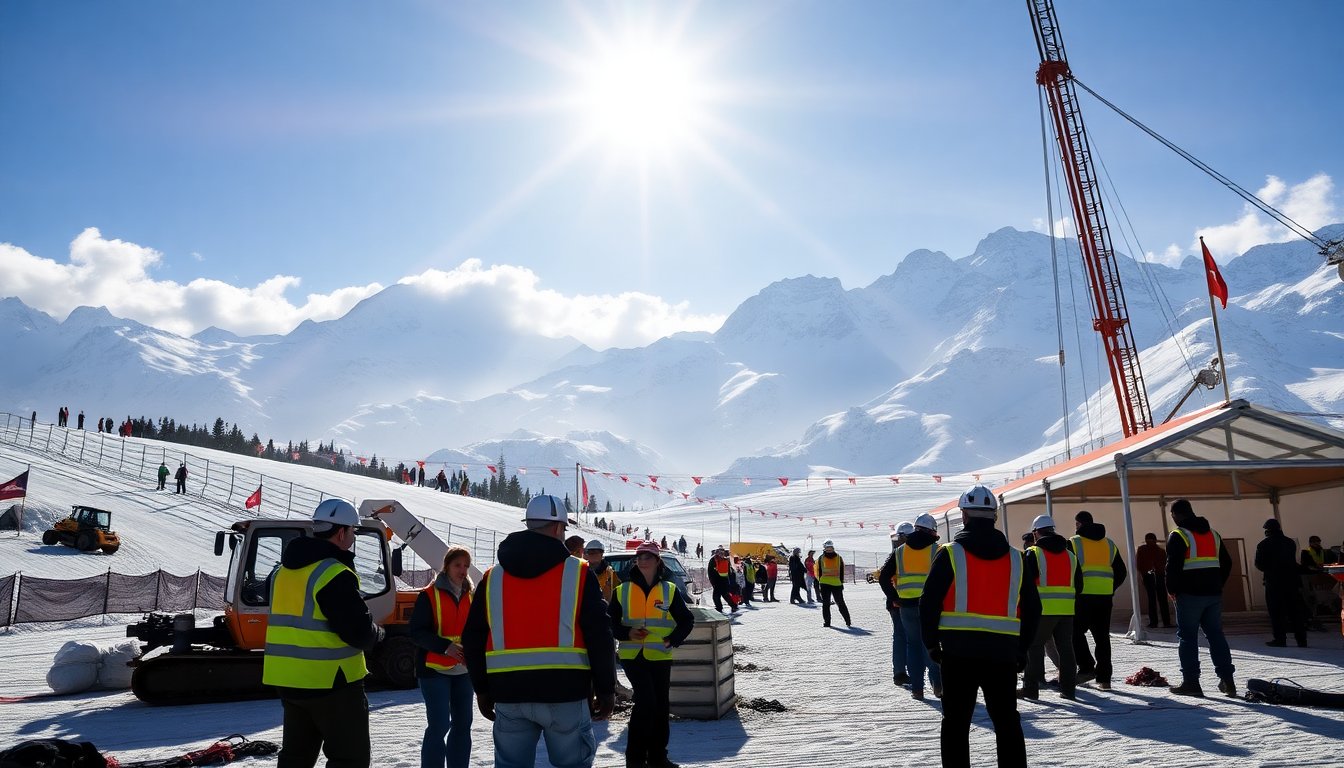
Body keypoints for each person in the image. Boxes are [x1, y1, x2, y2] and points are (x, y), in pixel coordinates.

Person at [461, 495, 616, 768]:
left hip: (509, 694)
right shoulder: (579, 573)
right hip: (565, 693)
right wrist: (606, 689)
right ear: (557, 528)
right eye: (564, 529)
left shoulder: (493, 577)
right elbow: (599, 635)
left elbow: (473, 637)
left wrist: (482, 689)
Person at [921, 485, 1039, 768]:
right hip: (1002, 653)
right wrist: (1022, 649)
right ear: (994, 517)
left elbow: (929, 602)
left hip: (958, 653)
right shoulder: (1017, 558)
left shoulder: (950, 553)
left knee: (956, 722)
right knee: (1007, 721)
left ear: (964, 516)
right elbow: (1033, 608)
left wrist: (931, 644)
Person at [262, 498, 385, 768]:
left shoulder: (281, 572)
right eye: (353, 531)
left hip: (289, 680)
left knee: (295, 759)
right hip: (332, 682)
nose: (354, 537)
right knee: (349, 760)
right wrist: (379, 634)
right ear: (341, 533)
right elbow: (359, 632)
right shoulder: (333, 573)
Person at [609, 541, 694, 768]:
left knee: (660, 706)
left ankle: (658, 757)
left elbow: (686, 620)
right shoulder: (622, 590)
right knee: (646, 702)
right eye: (639, 557)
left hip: (660, 656)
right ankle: (635, 759)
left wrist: (673, 639)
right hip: (632, 656)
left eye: (647, 557)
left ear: (657, 561)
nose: (642, 560)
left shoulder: (669, 590)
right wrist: (627, 633)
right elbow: (610, 622)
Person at [409, 546, 476, 768]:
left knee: (463, 726)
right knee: (439, 726)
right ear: (446, 567)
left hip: (463, 671)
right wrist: (446, 647)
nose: (463, 570)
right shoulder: (428, 595)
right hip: (434, 670)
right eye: (458, 565)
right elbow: (416, 633)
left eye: (466, 566)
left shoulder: (471, 596)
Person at [1166, 498, 1235, 697]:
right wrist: (1217, 584)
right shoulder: (1213, 534)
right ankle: (1227, 681)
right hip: (1213, 594)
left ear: (1177, 515)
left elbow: (1173, 567)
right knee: (1216, 635)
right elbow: (1227, 563)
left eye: (1173, 515)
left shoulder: (1179, 535)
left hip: (1189, 595)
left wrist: (1172, 590)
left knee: (1187, 638)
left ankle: (1191, 682)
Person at [1019, 515, 1079, 701]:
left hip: (1042, 610)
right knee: (1066, 648)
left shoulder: (1034, 553)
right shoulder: (1070, 555)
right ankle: (1068, 689)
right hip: (1066, 610)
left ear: (1036, 533)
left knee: (1034, 647)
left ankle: (1031, 688)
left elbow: (1025, 583)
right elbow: (1079, 584)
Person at [1070, 510, 1127, 690]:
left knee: (1074, 633)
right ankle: (1104, 679)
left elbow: (1069, 569)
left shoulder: (1074, 543)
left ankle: (1086, 667)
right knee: (1102, 637)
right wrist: (1110, 588)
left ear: (1079, 524)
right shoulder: (1109, 544)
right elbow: (1121, 572)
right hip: (1104, 599)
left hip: (1083, 598)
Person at [895, 516, 944, 699]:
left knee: (913, 645)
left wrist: (894, 598)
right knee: (931, 644)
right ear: (932, 530)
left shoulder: (900, 551)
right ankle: (938, 684)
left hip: (907, 605)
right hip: (931, 606)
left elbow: (884, 576)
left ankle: (917, 689)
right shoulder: (938, 550)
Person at [1255, 519, 1308, 648]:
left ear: (1268, 530)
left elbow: (1259, 564)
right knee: (1295, 612)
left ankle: (1280, 639)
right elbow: (1292, 562)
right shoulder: (1290, 543)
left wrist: (1270, 570)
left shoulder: (1263, 544)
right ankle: (1301, 640)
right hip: (1291, 582)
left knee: (1276, 613)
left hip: (1274, 583)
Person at [877, 523, 913, 686]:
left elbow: (883, 576)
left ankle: (901, 672)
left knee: (901, 637)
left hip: (899, 602)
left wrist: (892, 597)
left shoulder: (896, 554)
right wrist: (893, 598)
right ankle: (904, 673)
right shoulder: (905, 554)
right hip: (904, 603)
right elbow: (884, 577)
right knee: (909, 638)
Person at [1300, 535, 1338, 628]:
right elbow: (1305, 564)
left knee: (1323, 593)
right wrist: (1315, 567)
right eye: (1315, 542)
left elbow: (1327, 561)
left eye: (1318, 542)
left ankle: (1324, 607)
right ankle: (1315, 611)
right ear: (1311, 543)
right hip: (1311, 575)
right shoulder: (1306, 552)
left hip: (1321, 574)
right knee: (1312, 594)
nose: (1317, 543)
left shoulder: (1323, 551)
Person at [1136, 532, 1171, 628]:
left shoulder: (1144, 550)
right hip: (1155, 576)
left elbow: (1139, 565)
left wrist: (1146, 573)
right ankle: (1164, 622)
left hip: (1153, 576)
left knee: (1155, 599)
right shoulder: (1159, 551)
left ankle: (1156, 622)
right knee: (1159, 599)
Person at [816, 540, 851, 628]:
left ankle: (845, 621)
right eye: (827, 548)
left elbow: (841, 570)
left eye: (830, 548)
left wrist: (841, 582)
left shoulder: (834, 558)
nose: (829, 550)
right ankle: (830, 622)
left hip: (831, 584)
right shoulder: (827, 558)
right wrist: (820, 582)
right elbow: (818, 570)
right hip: (829, 584)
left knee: (835, 603)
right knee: (831, 603)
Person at [706, 547, 736, 613]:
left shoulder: (713, 560)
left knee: (716, 596)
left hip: (717, 580)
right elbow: (729, 572)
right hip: (724, 580)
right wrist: (729, 581)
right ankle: (733, 605)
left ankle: (719, 607)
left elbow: (710, 572)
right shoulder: (726, 560)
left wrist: (712, 581)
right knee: (725, 595)